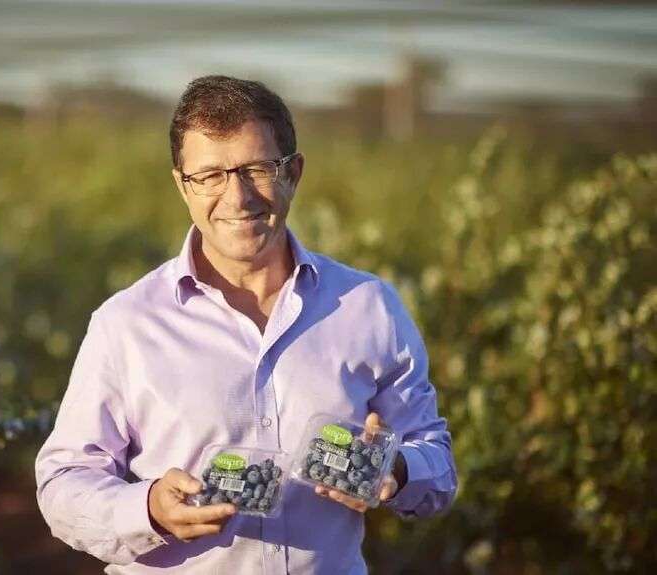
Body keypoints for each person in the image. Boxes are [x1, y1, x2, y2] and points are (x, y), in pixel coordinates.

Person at [35, 75, 457, 574]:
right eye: (210, 175)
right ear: (181, 185)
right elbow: (64, 481)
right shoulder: (126, 325)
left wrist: (398, 468)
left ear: (293, 173)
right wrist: (147, 508)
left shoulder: (368, 308)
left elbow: (437, 466)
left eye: (257, 168)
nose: (236, 198)